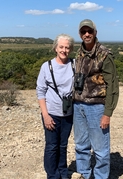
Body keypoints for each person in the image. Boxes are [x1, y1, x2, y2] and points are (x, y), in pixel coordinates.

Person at [73, 19, 119, 179]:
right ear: (80, 34)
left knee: (100, 149)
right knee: (81, 145)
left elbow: (112, 86)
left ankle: (100, 176)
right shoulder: (78, 53)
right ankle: (84, 175)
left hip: (97, 107)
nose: (87, 34)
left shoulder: (104, 55)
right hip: (78, 105)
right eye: (83, 31)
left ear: (95, 33)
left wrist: (108, 113)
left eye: (89, 31)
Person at [36, 34, 75, 179]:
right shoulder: (47, 67)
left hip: (68, 113)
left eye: (67, 47)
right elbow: (40, 91)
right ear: (55, 48)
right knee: (52, 146)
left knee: (63, 146)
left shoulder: (74, 65)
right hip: (51, 113)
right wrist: (45, 115)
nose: (64, 50)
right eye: (61, 47)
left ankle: (63, 173)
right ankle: (52, 175)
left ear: (70, 49)